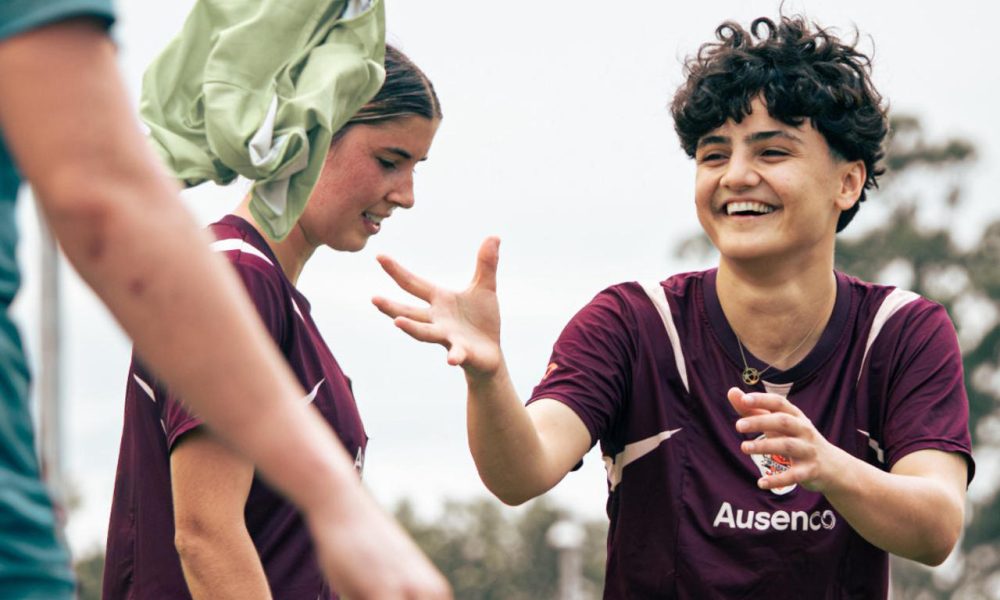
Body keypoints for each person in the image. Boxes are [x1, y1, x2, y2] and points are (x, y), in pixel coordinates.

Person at [373, 14, 974, 598]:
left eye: (771, 152)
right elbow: (520, 474)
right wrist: (488, 376)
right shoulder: (632, 323)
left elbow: (936, 526)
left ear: (847, 182)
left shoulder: (902, 332)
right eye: (714, 154)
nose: (735, 176)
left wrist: (828, 465)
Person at [0, 6, 447, 600]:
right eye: (389, 161)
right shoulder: (240, 274)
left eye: (416, 167)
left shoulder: (273, 295)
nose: (407, 195)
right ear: (310, 126)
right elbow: (206, 536)